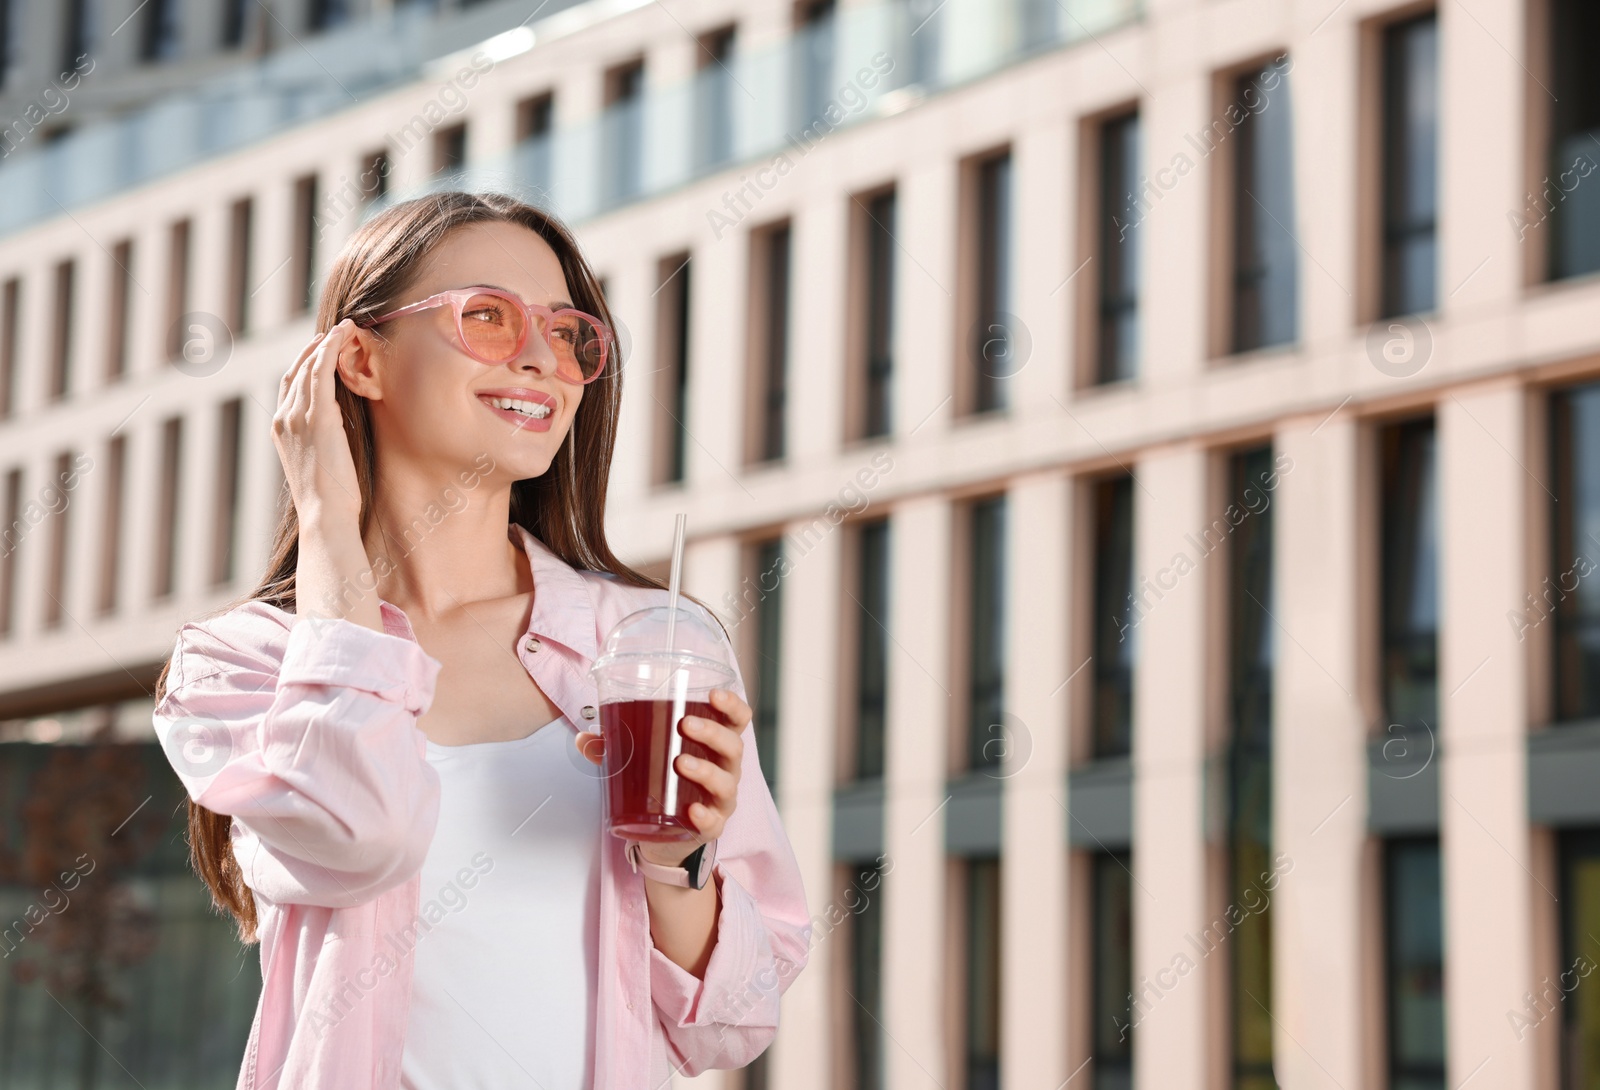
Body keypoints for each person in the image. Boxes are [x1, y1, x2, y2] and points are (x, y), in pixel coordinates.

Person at [150, 191, 811, 1090]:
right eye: (489, 318)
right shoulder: (242, 665)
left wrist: (675, 863)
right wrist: (328, 522)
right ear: (360, 359)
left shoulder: (652, 643)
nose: (544, 359)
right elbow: (359, 837)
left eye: (569, 332)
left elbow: (731, 1023)